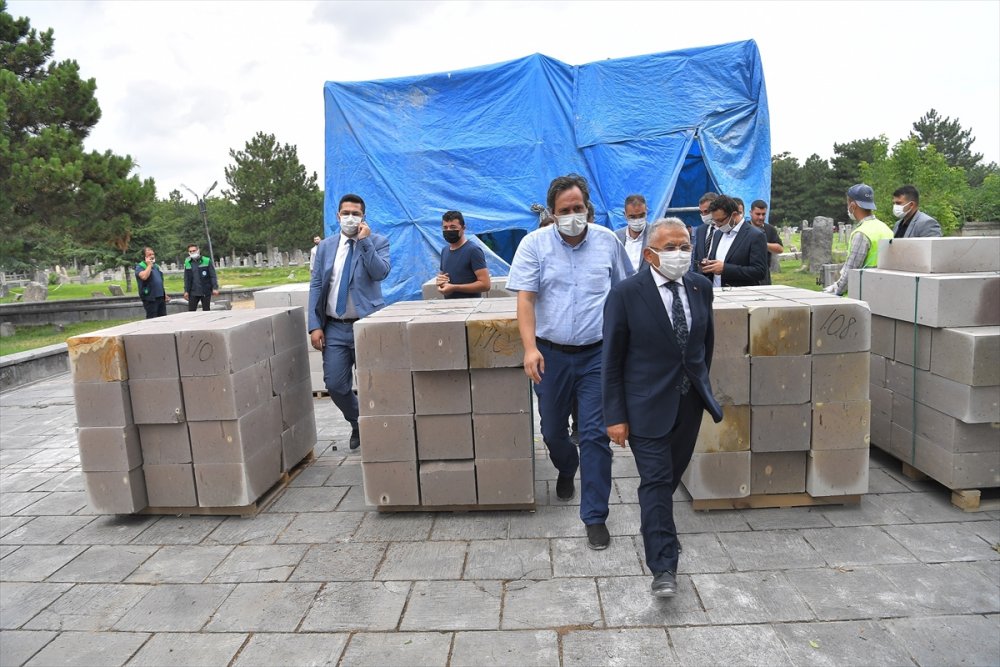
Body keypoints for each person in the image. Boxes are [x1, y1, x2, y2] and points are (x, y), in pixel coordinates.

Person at [507, 173, 632, 550]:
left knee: (595, 434)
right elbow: (525, 300)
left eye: (578, 208)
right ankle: (566, 465)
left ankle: (594, 516)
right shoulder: (534, 245)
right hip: (551, 355)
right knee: (552, 432)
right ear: (552, 212)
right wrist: (530, 348)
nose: (573, 215)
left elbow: (625, 293)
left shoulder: (608, 243)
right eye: (565, 210)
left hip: (598, 355)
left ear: (588, 208)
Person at [603, 217, 722, 597]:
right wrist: (615, 416)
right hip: (645, 407)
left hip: (688, 404)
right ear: (651, 254)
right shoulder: (625, 294)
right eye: (671, 248)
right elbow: (611, 361)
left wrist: (699, 387)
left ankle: (659, 528)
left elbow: (705, 346)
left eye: (685, 245)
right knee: (654, 482)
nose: (680, 254)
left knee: (668, 479)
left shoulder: (701, 287)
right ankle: (663, 565)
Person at [308, 194, 391, 450]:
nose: (350, 217)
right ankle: (357, 421)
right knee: (334, 384)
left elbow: (380, 273)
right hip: (334, 326)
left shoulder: (378, 241)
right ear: (338, 216)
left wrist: (365, 242)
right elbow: (317, 285)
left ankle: (377, 427)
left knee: (372, 383)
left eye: (356, 213)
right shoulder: (325, 247)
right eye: (346, 213)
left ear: (363, 216)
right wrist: (314, 324)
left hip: (367, 325)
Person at [825, 184, 893, 295]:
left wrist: (836, 292)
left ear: (853, 205)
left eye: (848, 203)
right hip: (881, 293)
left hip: (861, 295)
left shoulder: (861, 233)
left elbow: (851, 272)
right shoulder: (886, 229)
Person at [693, 195, 768, 287]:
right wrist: (708, 266)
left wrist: (725, 269)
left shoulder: (755, 235)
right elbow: (715, 263)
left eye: (720, 221)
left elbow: (759, 271)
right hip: (716, 293)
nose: (717, 225)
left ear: (734, 215)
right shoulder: (718, 234)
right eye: (715, 220)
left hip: (740, 295)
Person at [436, 210, 491, 298]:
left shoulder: (473, 250)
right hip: (449, 307)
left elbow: (485, 284)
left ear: (463, 228)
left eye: (453, 227)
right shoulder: (445, 250)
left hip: (470, 307)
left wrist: (454, 288)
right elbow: (443, 276)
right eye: (445, 228)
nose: (448, 230)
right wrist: (440, 282)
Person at [749, 200, 783, 285]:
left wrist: (764, 244)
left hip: (764, 274)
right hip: (747, 272)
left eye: (763, 214)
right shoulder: (743, 228)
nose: (761, 217)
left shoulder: (770, 229)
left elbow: (780, 249)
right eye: (758, 214)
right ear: (750, 213)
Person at [614, 194, 651, 272]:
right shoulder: (616, 237)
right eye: (632, 217)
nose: (637, 220)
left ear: (646, 212)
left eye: (641, 215)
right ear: (625, 215)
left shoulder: (655, 235)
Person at [135, 247, 170, 319]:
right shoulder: (140, 267)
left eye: (153, 254)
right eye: (149, 255)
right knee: (152, 319)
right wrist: (149, 265)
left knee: (163, 318)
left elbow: (159, 281)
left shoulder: (156, 266)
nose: (152, 256)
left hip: (160, 297)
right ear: (144, 257)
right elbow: (144, 276)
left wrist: (164, 294)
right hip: (150, 298)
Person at [183, 244, 219, 311]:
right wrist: (186, 291)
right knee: (191, 310)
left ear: (198, 250)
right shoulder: (187, 262)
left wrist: (215, 288)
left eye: (194, 250)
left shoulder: (206, 260)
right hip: (193, 291)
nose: (192, 252)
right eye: (190, 251)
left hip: (205, 290)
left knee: (206, 310)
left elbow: (213, 275)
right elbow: (186, 278)